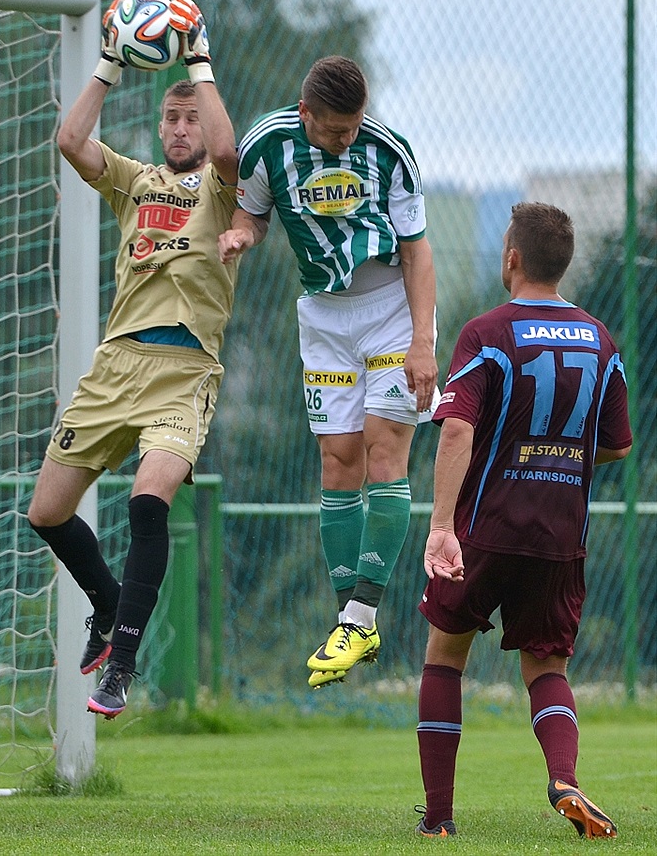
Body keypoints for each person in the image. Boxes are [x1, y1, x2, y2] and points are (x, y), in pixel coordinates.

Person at [27, 0, 239, 719]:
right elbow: (71, 139)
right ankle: (108, 602)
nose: (182, 128)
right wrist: (112, 60)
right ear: (157, 126)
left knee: (148, 503)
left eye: (191, 117)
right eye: (172, 117)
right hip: (116, 365)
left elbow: (228, 150)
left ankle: (122, 661)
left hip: (184, 373)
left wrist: (198, 61)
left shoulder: (218, 186)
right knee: (47, 512)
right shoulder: (135, 181)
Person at [218, 56, 440, 689]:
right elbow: (252, 214)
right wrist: (241, 236)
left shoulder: (391, 154)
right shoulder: (266, 146)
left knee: (382, 455)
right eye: (336, 129)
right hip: (322, 317)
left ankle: (361, 613)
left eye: (355, 126)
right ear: (305, 111)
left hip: (392, 312)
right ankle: (354, 621)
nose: (347, 138)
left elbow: (418, 251)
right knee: (337, 460)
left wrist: (423, 341)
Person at [414, 202, 632, 838]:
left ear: (512, 257)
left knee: (445, 655)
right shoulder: (601, 339)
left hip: (487, 526)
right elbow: (617, 443)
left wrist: (442, 524)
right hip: (562, 534)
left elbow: (457, 427)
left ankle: (439, 820)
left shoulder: (487, 333)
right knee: (546, 668)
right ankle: (564, 777)